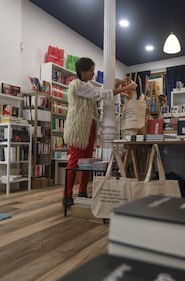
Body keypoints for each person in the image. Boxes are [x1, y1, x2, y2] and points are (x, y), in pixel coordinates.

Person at [62, 57, 137, 207]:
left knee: (87, 161)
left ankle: (82, 191)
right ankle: (67, 195)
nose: (93, 73)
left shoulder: (87, 85)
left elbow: (102, 91)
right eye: (91, 70)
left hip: (89, 127)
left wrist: (119, 83)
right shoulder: (76, 85)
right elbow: (100, 94)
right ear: (82, 71)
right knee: (74, 161)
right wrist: (123, 89)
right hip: (78, 129)